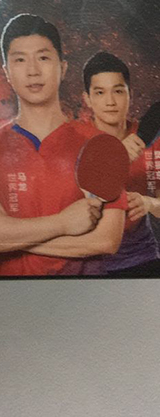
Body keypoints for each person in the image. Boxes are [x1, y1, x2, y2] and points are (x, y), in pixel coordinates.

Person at [0, 13, 127, 276]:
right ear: (7, 72)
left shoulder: (99, 144)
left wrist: (6, 234)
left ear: (63, 67)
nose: (33, 71)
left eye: (43, 58)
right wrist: (63, 223)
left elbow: (106, 241)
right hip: (7, 296)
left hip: (87, 296)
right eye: (20, 60)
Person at [77, 51, 160, 275]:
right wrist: (116, 158)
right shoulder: (73, 138)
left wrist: (149, 203)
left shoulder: (149, 138)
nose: (110, 102)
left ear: (129, 94)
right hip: (87, 261)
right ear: (87, 98)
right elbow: (77, 203)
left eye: (118, 91)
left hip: (142, 258)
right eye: (100, 92)